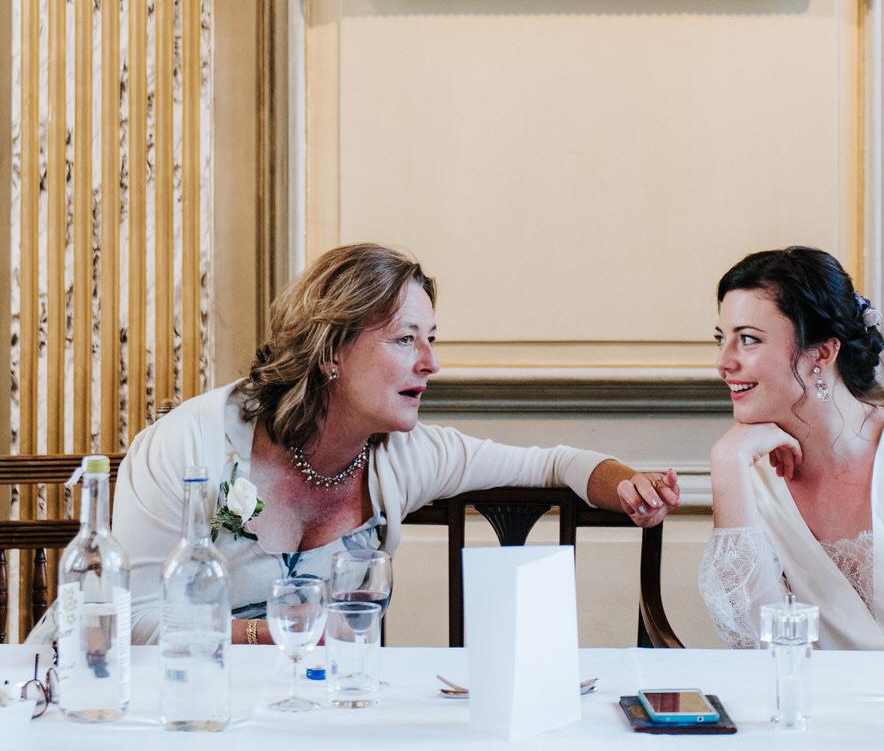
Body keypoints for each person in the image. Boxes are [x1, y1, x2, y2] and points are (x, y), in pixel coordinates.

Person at [113, 243, 679, 644]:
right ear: (330, 351)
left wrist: (630, 484)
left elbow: (555, 464)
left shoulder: (406, 455)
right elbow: (132, 622)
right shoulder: (186, 446)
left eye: (430, 339)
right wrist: (275, 631)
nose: (430, 364)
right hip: (194, 717)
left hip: (330, 718)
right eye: (405, 339)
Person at [699, 246, 884, 649]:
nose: (723, 362)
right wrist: (727, 460)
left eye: (748, 340)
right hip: (803, 708)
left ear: (822, 352)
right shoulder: (746, 468)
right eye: (721, 339)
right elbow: (754, 645)